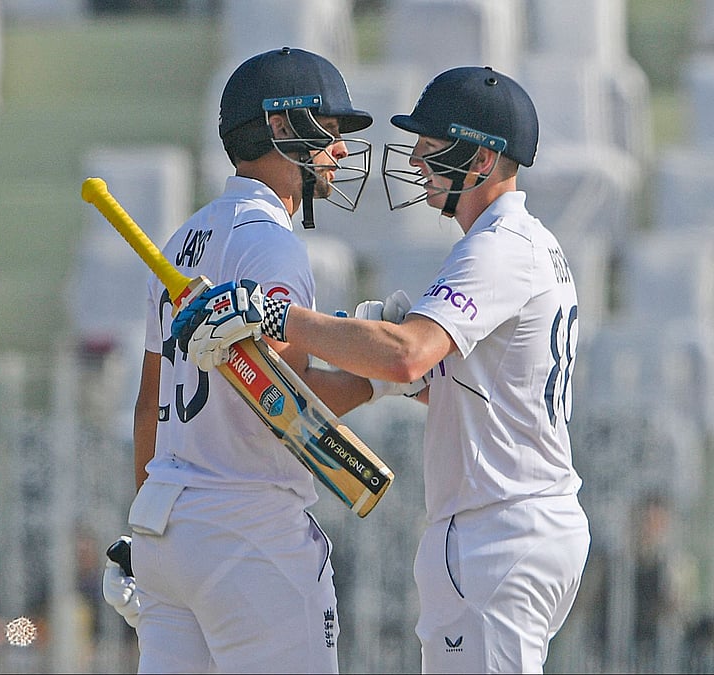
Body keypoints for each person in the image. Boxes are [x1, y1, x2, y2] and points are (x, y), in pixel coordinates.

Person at [172, 65, 591, 674]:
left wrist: (275, 314)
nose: (417, 160)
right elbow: (436, 381)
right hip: (523, 522)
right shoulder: (526, 244)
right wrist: (370, 360)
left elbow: (408, 354)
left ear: (479, 160)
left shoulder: (497, 247)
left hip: (495, 530)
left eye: (431, 145)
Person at [99, 46, 415, 674]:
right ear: (281, 126)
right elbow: (289, 407)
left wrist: (145, 527)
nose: (341, 153)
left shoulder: (183, 239)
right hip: (248, 530)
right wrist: (383, 379)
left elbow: (147, 409)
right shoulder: (272, 243)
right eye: (329, 133)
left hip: (166, 524)